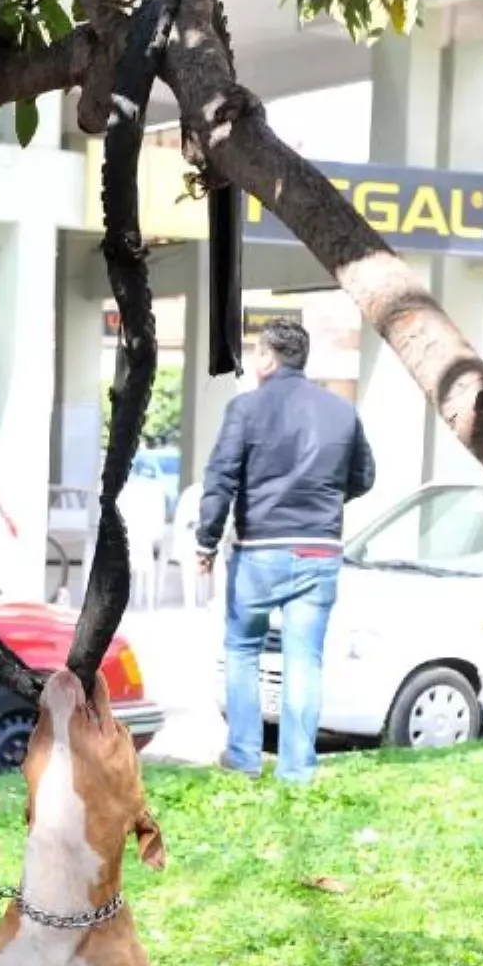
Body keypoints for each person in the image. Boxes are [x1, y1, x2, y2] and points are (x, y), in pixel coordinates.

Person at [195, 318, 375, 784]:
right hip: (320, 552)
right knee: (304, 659)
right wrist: (322, 503)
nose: (255, 361)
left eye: (257, 352)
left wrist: (206, 542)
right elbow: (363, 477)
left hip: (259, 550)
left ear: (269, 359)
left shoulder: (245, 409)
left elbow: (221, 480)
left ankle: (244, 756)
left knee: (242, 648)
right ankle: (297, 769)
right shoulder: (341, 411)